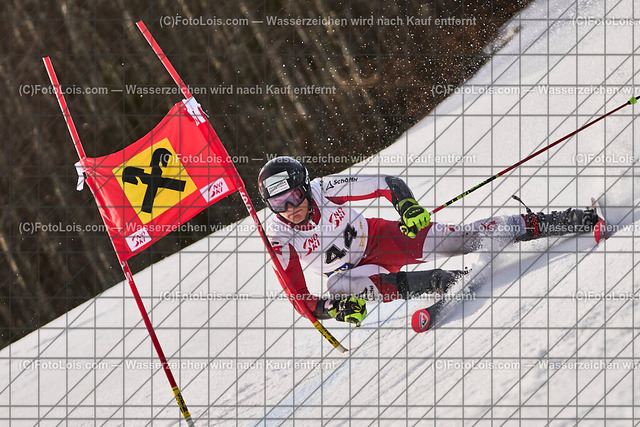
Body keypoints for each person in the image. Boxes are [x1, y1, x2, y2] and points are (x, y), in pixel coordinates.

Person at [258, 156, 601, 326]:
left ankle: (556, 221)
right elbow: (300, 298)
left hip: (382, 238)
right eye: (278, 204)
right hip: (353, 273)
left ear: (305, 187)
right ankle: (440, 282)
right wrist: (333, 310)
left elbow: (386, 183)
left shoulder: (325, 189)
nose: (290, 209)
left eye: (294, 197)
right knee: (339, 288)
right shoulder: (278, 234)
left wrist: (407, 206)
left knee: (460, 239)